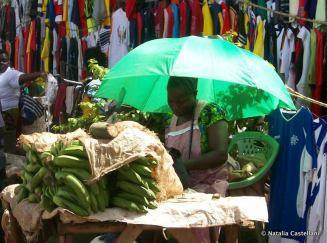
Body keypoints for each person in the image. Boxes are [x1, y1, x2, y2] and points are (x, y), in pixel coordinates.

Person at [165, 76, 229, 243]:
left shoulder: (210, 112)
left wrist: (184, 165)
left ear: (195, 93)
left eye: (181, 101)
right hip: (180, 185)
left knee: (193, 222)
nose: (176, 106)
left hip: (209, 184)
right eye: (171, 101)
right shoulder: (172, 120)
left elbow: (220, 153)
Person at [0, 50, 47, 152]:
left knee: (8, 141)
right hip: (3, 113)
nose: (1, 63)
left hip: (8, 112)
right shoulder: (1, 74)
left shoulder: (11, 74)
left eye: (4, 60)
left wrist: (39, 74)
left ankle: (9, 161)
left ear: (8, 62)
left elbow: (23, 78)